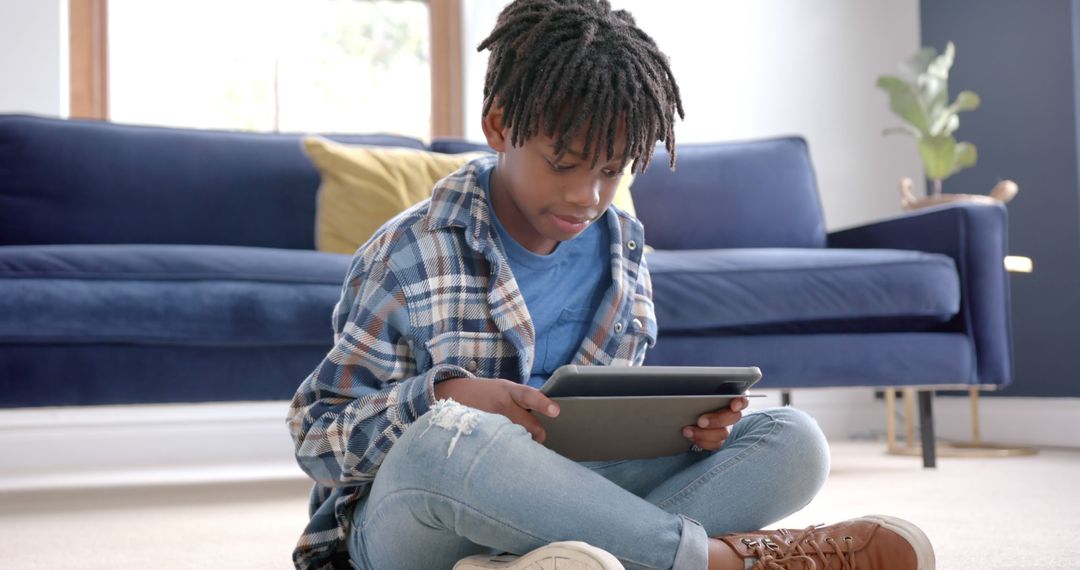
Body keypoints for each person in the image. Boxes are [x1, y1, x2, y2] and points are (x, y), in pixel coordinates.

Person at [287, 1, 936, 568]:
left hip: (566, 507)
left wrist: (683, 433)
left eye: (613, 169)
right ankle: (718, 563)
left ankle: (559, 564)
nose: (588, 195)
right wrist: (448, 397)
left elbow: (596, 441)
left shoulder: (623, 254)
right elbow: (318, 436)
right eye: (564, 164)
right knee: (451, 440)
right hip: (413, 527)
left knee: (793, 440)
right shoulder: (409, 252)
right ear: (499, 124)